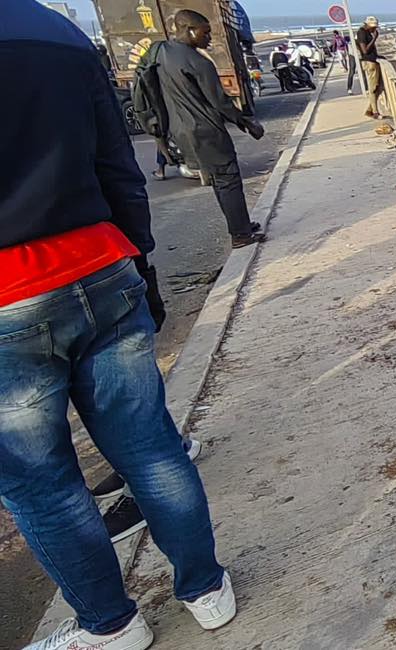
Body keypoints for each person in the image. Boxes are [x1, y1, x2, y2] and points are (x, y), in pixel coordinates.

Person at [3, 3, 236, 648]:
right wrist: (133, 252)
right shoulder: (55, 30)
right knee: (150, 445)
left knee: (44, 487)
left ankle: (111, 626)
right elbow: (116, 160)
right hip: (102, 268)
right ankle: (206, 590)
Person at [153, 9, 267, 249]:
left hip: (182, 131)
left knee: (217, 179)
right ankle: (241, 235)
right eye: (205, 33)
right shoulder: (198, 62)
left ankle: (240, 226)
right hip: (205, 130)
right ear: (190, 30)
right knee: (228, 179)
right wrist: (247, 123)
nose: (209, 38)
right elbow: (220, 102)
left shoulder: (163, 53)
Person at [357, 16, 383, 118]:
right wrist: (374, 38)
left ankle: (369, 109)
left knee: (378, 87)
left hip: (372, 60)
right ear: (367, 25)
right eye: (373, 27)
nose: (374, 29)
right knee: (373, 88)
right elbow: (365, 50)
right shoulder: (362, 33)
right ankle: (375, 112)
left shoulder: (367, 32)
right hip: (369, 63)